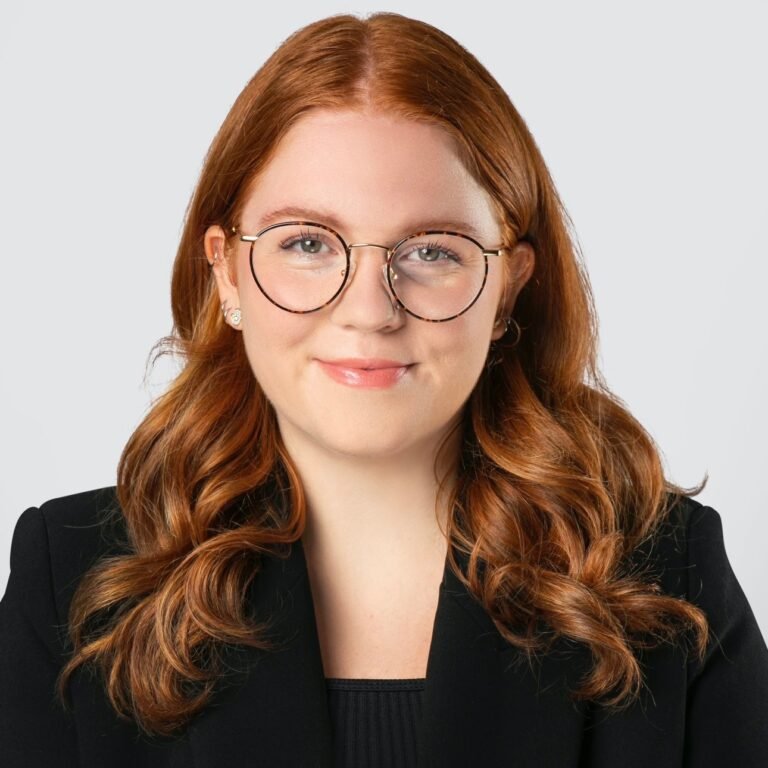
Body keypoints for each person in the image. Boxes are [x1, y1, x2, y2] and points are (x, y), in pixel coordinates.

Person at [1, 11, 767, 767]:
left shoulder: (668, 578)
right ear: (227, 273)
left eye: (432, 250)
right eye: (306, 242)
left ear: (508, 290)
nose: (368, 311)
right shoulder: (70, 583)